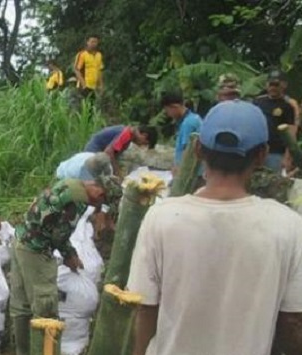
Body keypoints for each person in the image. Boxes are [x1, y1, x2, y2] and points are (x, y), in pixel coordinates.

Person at [128, 100, 302, 355]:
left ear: (198, 149)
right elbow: (292, 321)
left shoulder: (161, 217)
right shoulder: (289, 226)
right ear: (262, 155)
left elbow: (144, 308)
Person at [10, 176, 122, 355]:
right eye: (103, 201)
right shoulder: (78, 201)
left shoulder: (70, 183)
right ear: (100, 192)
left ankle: (22, 351)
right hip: (36, 250)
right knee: (45, 309)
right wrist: (70, 255)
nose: (99, 206)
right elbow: (59, 236)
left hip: (20, 240)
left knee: (22, 306)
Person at [254, 70, 296, 172]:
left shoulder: (287, 106)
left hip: (276, 152)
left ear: (284, 85)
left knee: (274, 183)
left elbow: (291, 133)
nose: (273, 87)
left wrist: (287, 157)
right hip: (257, 151)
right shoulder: (258, 102)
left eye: (276, 84)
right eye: (270, 84)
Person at [84, 125, 158, 176]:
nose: (141, 145)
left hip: (99, 153)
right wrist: (117, 172)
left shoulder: (129, 136)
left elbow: (115, 154)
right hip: (93, 152)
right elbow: (109, 152)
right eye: (144, 143)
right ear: (144, 135)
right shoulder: (126, 134)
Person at [161, 92, 202, 172]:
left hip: (190, 173)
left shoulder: (188, 123)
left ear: (174, 107)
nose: (168, 115)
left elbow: (187, 150)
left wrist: (178, 169)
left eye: (167, 111)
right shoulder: (194, 118)